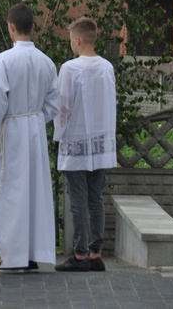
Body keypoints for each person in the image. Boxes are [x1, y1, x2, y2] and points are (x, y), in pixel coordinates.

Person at [0, 2, 60, 271]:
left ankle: (11, 256)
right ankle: (34, 254)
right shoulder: (46, 61)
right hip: (33, 131)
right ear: (32, 28)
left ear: (11, 28)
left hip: (11, 132)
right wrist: (35, 120)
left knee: (10, 195)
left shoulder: (5, 60)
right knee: (34, 193)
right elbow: (54, 103)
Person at [53, 17, 117, 272]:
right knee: (95, 198)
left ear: (77, 39)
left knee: (77, 198)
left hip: (77, 138)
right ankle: (95, 253)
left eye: (71, 39)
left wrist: (58, 133)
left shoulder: (70, 68)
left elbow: (63, 106)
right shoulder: (106, 67)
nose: (71, 44)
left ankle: (80, 255)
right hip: (101, 140)